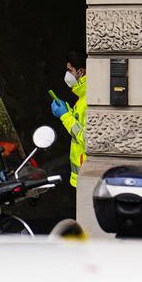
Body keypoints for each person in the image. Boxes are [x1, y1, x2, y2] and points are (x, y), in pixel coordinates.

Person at [51, 49, 86, 188]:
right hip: (82, 177)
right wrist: (69, 112)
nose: (67, 75)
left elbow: (85, 138)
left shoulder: (90, 100)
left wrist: (65, 116)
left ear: (81, 72)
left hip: (87, 177)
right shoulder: (83, 97)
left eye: (70, 70)